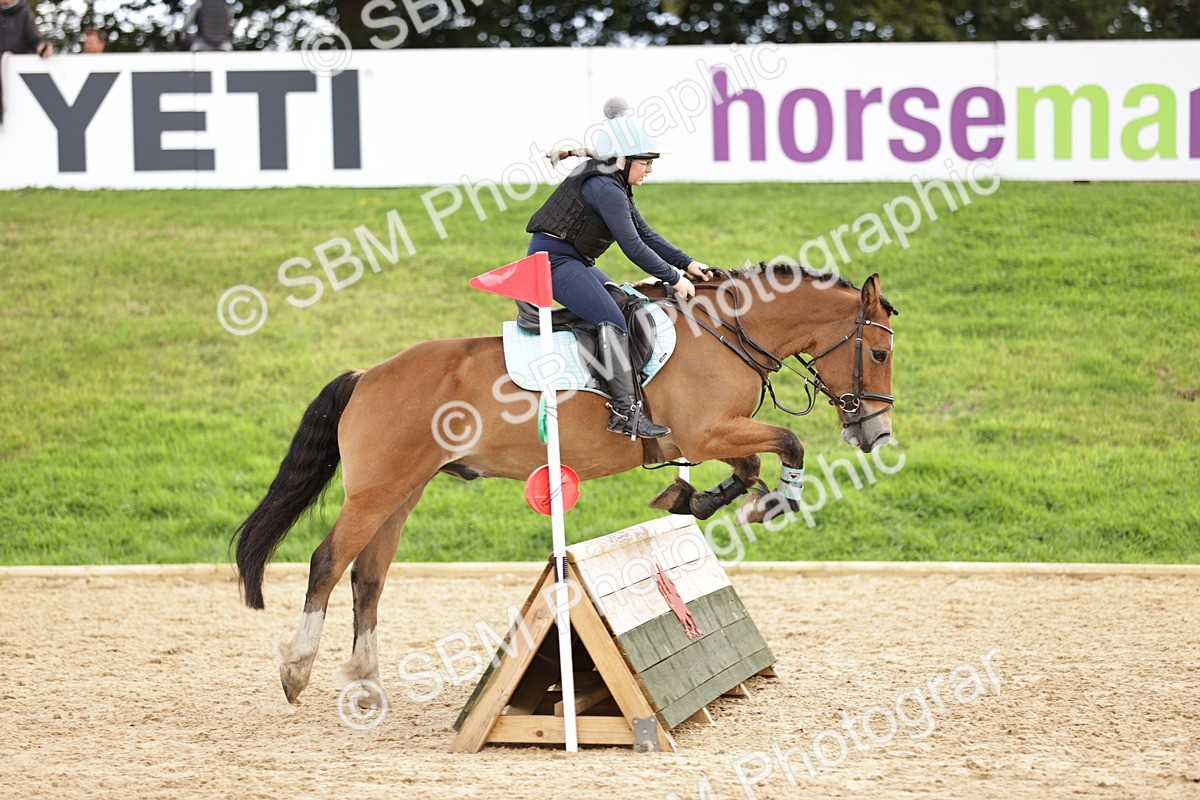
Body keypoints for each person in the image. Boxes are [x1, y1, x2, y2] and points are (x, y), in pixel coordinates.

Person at [526, 98, 712, 440]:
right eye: (645, 163)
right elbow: (633, 246)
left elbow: (646, 233)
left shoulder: (614, 183)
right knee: (610, 318)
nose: (650, 171)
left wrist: (687, 262)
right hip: (554, 261)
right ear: (622, 160)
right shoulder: (604, 187)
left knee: (623, 302)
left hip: (571, 260)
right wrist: (674, 278)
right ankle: (626, 413)